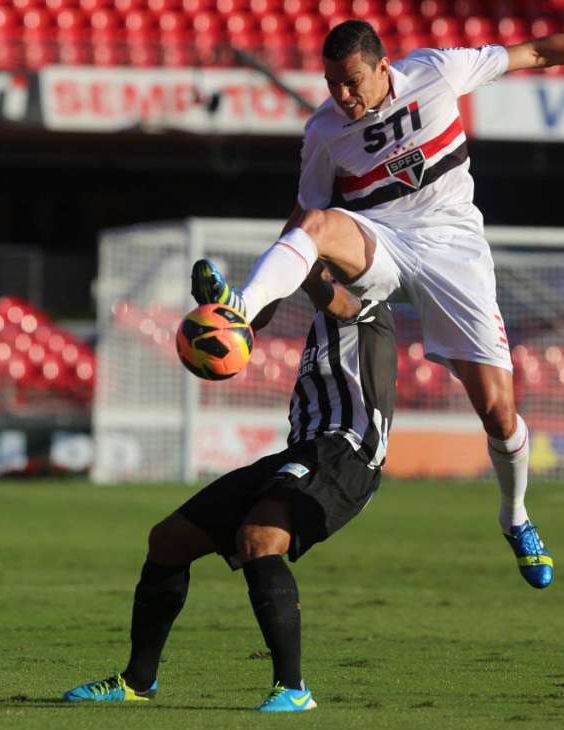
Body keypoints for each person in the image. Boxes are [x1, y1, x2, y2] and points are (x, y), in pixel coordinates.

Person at [193, 21, 564, 589]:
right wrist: (254, 314)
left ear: (383, 68)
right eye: (332, 83)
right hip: (380, 241)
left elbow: (538, 51)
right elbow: (302, 223)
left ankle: (516, 515)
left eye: (352, 82)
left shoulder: (436, 72)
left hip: (453, 247)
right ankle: (238, 308)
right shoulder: (325, 130)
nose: (342, 96)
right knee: (318, 223)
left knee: (499, 413)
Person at [63, 264, 396, 712]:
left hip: (347, 453)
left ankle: (293, 689)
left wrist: (303, 259)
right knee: (168, 540)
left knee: (260, 539)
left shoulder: (372, 308)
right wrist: (225, 302)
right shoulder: (325, 320)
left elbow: (326, 291)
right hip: (303, 450)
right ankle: (138, 680)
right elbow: (252, 318)